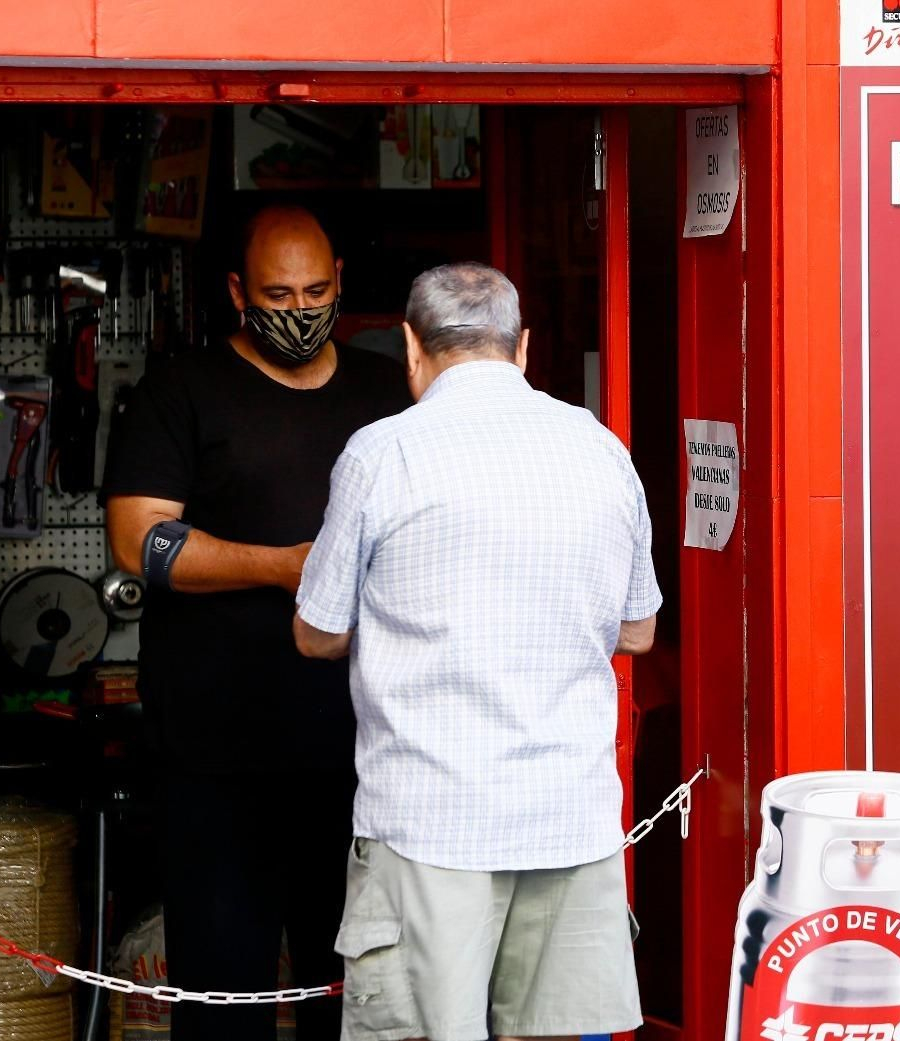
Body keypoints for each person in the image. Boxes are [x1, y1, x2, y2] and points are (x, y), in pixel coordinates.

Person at [293, 262, 660, 1041]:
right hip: (570, 820)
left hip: (432, 823)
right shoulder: (600, 449)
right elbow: (638, 630)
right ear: (522, 348)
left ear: (411, 349)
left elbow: (317, 630)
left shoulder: (383, 452)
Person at [102, 205, 412, 1041]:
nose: (301, 309)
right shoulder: (182, 389)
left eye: (316, 289)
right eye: (278, 292)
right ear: (238, 290)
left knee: (355, 1000)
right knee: (223, 1002)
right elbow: (139, 539)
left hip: (367, 758)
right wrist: (285, 566)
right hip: (215, 760)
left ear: (341, 279)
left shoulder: (389, 393)